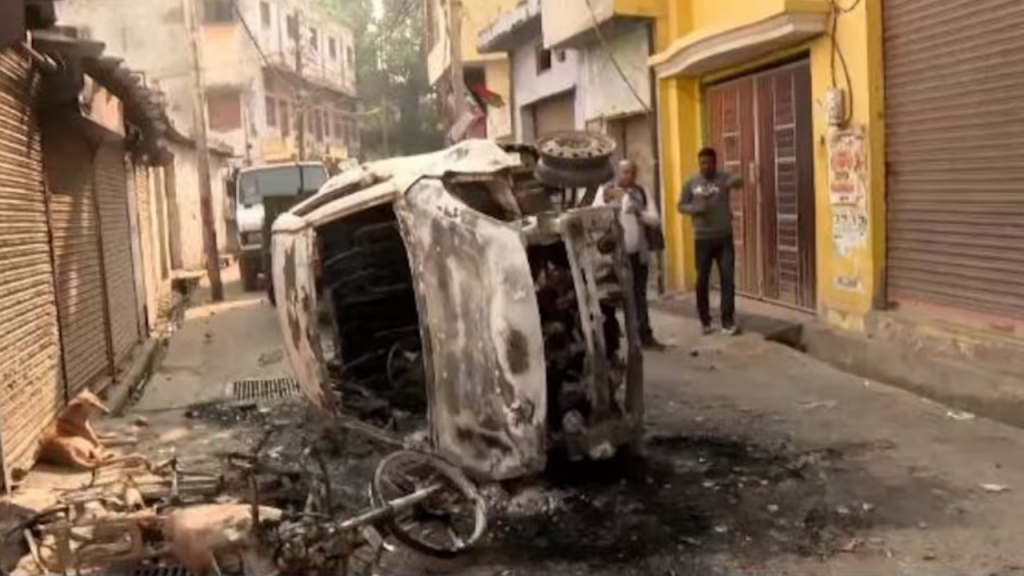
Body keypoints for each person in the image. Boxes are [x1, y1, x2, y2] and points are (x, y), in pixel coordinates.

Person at [595, 159, 664, 350]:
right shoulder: (605, 191)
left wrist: (639, 212)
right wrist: (608, 203)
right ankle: (614, 338)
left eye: (632, 172)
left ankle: (644, 335)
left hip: (637, 254)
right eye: (624, 172)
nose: (628, 176)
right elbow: (593, 218)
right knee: (612, 297)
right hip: (613, 258)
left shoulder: (641, 193)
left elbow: (655, 220)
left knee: (639, 296)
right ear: (617, 172)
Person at [677, 147, 744, 336]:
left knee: (727, 279)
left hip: (724, 237)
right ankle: (705, 321)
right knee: (702, 281)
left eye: (708, 162)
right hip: (702, 239)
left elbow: (739, 181)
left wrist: (736, 181)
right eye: (702, 163)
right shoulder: (691, 182)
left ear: (715, 162)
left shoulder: (723, 178)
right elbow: (680, 205)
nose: (705, 166)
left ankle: (727, 321)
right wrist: (695, 208)